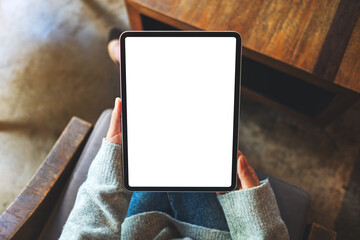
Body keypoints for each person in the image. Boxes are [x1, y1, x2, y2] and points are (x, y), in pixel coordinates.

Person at [59, 39, 290, 240]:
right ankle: (128, 52)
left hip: (134, 233)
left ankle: (126, 52)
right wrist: (258, 229)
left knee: (160, 131)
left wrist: (106, 183)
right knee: (197, 130)